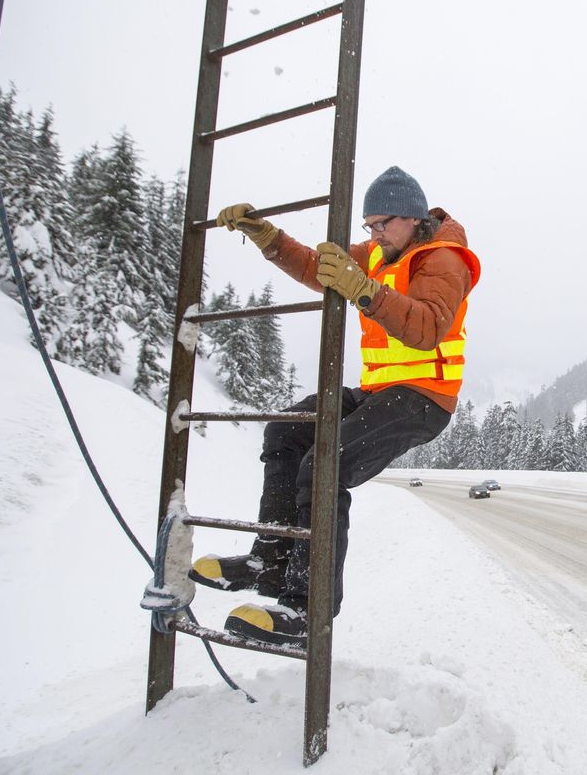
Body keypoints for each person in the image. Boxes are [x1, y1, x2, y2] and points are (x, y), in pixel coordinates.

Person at [188, 166, 481, 646]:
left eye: (382, 223)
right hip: (380, 391)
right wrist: (269, 238)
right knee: (286, 432)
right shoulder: (385, 251)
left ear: (411, 218)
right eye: (369, 226)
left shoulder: (443, 259)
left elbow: (427, 329)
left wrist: (364, 292)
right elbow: (322, 269)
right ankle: (271, 560)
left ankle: (308, 609)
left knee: (324, 466)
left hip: (424, 398)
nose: (374, 234)